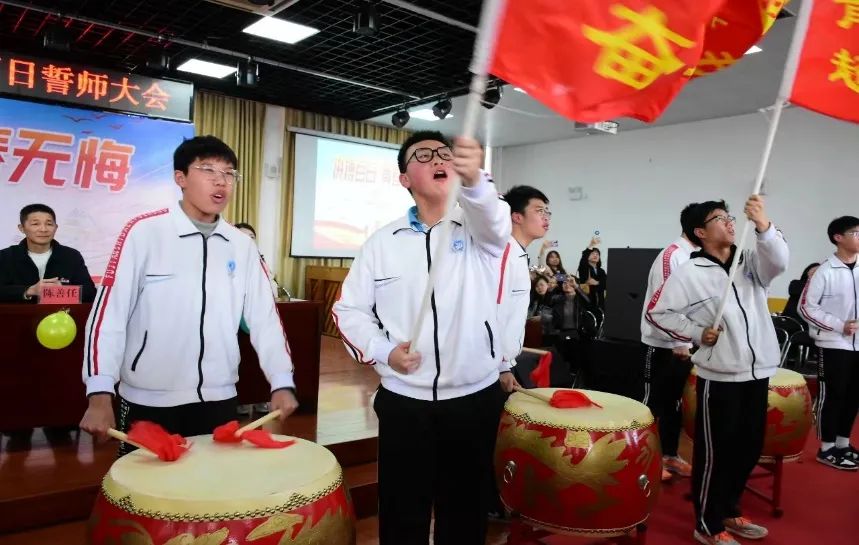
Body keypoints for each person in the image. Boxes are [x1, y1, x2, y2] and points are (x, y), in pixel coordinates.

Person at [332, 130, 509, 545]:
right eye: (423, 155)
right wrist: (383, 351)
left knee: (464, 514)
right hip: (404, 401)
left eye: (443, 153)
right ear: (405, 179)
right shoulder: (381, 243)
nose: (437, 159)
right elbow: (349, 311)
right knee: (401, 512)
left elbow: (496, 221)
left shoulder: (479, 230)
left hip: (473, 399)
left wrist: (476, 181)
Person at [78, 136, 298, 454]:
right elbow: (108, 315)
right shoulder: (144, 233)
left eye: (229, 173)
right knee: (147, 484)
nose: (221, 181)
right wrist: (99, 392)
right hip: (148, 399)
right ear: (180, 178)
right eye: (208, 170)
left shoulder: (241, 245)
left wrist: (281, 379)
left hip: (219, 398)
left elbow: (265, 319)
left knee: (212, 482)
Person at [648, 196, 788, 545]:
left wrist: (763, 224)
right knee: (716, 454)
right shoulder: (689, 272)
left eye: (730, 217)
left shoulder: (750, 261)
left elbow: (779, 261)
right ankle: (707, 525)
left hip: (757, 372)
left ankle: (728, 510)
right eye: (719, 218)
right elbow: (658, 313)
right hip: (720, 376)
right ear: (700, 232)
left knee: (749, 448)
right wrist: (697, 333)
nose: (729, 222)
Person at [640, 203, 699, 482]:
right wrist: (678, 341)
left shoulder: (697, 257)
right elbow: (663, 305)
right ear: (699, 229)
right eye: (719, 220)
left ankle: (670, 455)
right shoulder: (673, 255)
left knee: (675, 404)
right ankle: (644, 461)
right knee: (652, 405)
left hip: (684, 344)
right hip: (663, 344)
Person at [799, 216, 859, 471]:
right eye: (856, 233)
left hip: (858, 344)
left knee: (853, 395)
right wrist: (839, 325)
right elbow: (806, 307)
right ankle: (826, 448)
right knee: (833, 395)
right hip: (833, 342)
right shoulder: (825, 271)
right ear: (838, 238)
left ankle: (843, 444)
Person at [498, 185, 551, 388]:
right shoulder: (505, 253)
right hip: (494, 366)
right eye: (539, 210)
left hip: (505, 362)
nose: (546, 217)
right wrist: (501, 366)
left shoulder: (518, 253)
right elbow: (495, 311)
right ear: (517, 216)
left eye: (547, 212)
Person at [0, 204, 96, 303]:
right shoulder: (5, 257)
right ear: (21, 228)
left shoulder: (71, 256)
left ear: (56, 227)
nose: (43, 229)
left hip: (61, 312)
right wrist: (29, 290)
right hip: (18, 313)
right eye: (35, 224)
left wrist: (64, 290)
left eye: (49, 224)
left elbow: (90, 293)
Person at [578, 236, 607, 309]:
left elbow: (607, 284)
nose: (595, 255)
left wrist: (597, 283)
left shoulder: (601, 271)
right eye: (592, 253)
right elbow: (583, 258)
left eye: (597, 254)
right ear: (588, 256)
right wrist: (591, 245)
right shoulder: (584, 268)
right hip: (587, 302)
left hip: (601, 303)